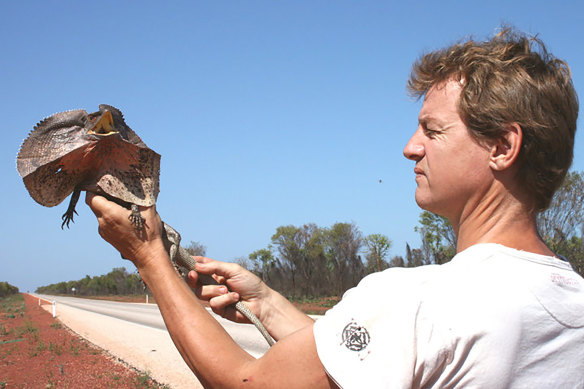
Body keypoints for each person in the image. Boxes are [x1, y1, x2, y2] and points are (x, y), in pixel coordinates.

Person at [86, 28, 584, 388]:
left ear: (502, 147)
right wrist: (267, 304)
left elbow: (249, 382)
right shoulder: (571, 302)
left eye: (432, 130)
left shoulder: (420, 298)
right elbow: (378, 360)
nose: (411, 148)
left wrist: (149, 255)